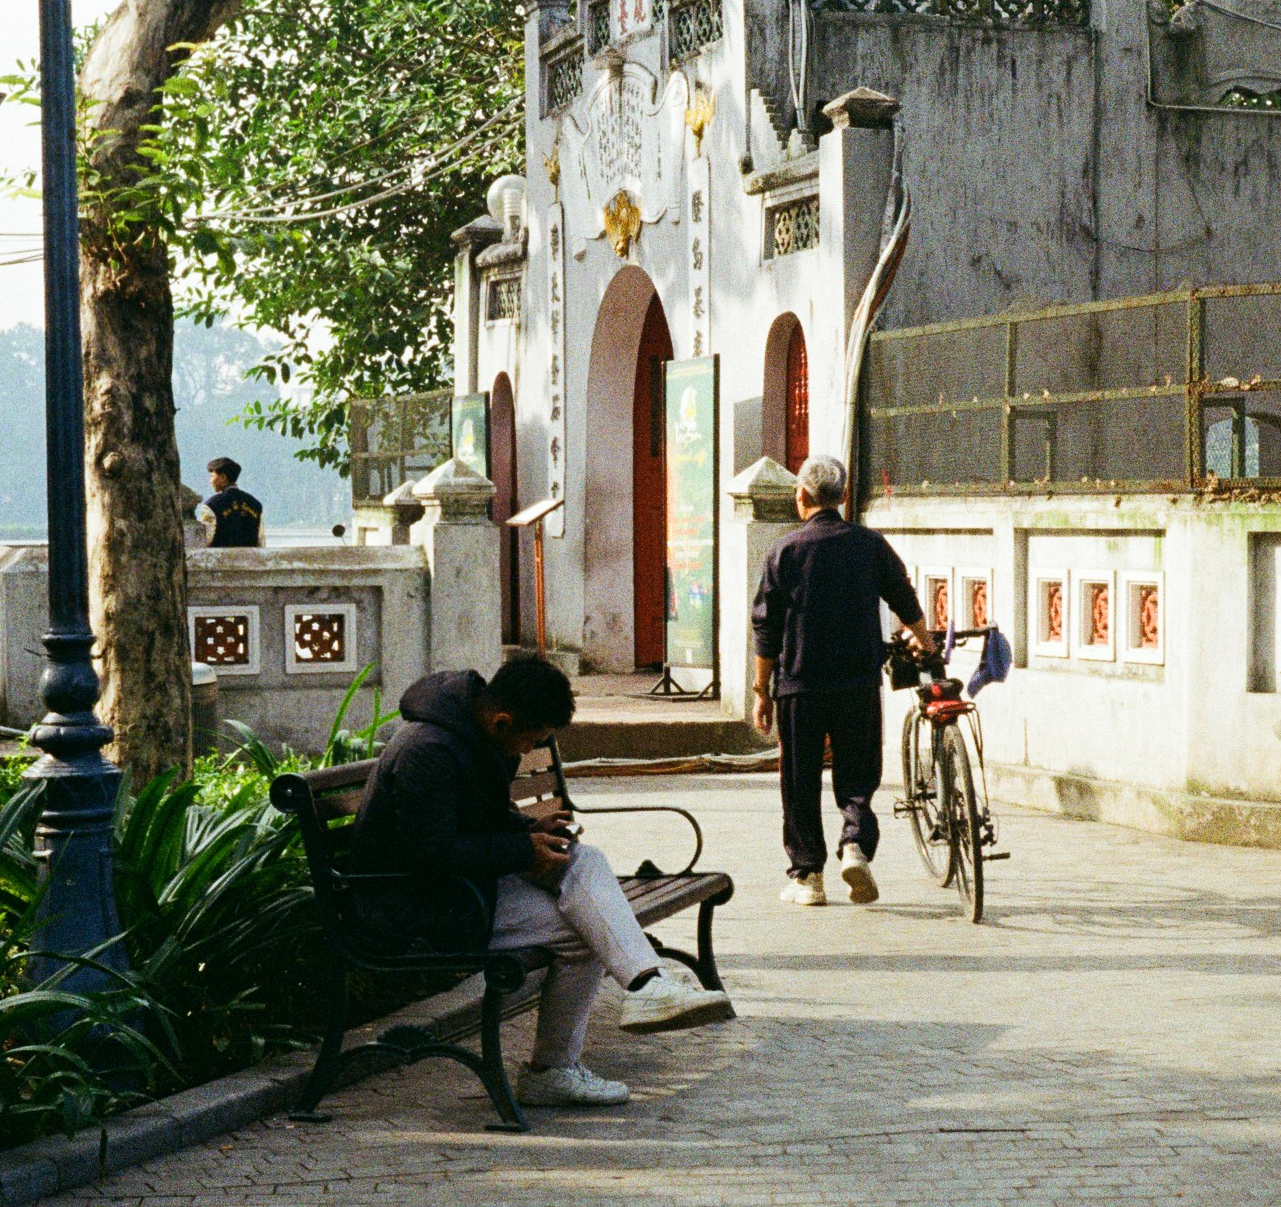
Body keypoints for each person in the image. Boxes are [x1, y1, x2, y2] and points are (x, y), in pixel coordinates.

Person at [352, 655, 733, 1109]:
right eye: (531, 741)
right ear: (502, 721)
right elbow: (429, 853)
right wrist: (520, 851)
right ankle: (566, 1059)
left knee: (584, 862)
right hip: (414, 908)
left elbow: (476, 823)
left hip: (460, 890)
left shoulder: (474, 734)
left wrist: (525, 832)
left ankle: (644, 989)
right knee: (586, 931)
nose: (527, 750)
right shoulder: (428, 752)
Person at [750, 454, 927, 907]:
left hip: (799, 684)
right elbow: (903, 594)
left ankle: (808, 876)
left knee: (799, 779)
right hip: (857, 682)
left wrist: (761, 692)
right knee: (858, 773)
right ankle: (855, 845)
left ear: (802, 496)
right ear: (844, 497)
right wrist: (924, 639)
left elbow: (766, 628)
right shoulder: (868, 544)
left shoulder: (785, 551)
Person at [202, 457, 263, 548]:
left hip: (220, 559)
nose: (210, 481)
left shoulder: (211, 505)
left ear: (223, 477)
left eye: (212, 476)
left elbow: (206, 539)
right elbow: (260, 540)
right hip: (249, 559)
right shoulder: (255, 504)